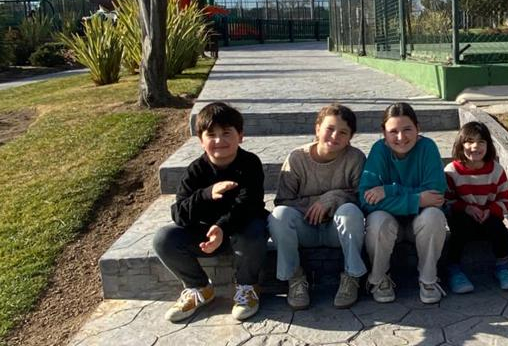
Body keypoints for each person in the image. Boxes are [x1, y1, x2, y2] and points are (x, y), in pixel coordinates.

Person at [153, 102, 267, 322]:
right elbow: (179, 213)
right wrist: (206, 194)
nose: (219, 141)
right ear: (200, 140)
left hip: (241, 232)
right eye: (211, 134)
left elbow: (249, 204)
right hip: (206, 236)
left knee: (256, 227)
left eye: (226, 133)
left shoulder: (250, 163)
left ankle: (247, 287)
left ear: (240, 136)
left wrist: (222, 227)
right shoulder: (195, 171)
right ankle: (199, 288)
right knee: (163, 238)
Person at [269, 104, 367, 310]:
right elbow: (282, 201)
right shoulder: (297, 158)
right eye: (329, 129)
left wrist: (331, 198)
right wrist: (315, 204)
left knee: (351, 212)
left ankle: (351, 276)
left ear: (351, 137)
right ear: (317, 129)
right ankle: (295, 278)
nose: (334, 136)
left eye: (343, 132)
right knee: (279, 216)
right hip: (305, 227)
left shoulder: (355, 158)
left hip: (336, 230)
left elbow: (362, 199)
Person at [359, 102, 448, 304]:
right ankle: (380, 278)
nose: (401, 137)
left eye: (407, 129)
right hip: (391, 224)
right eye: (393, 131)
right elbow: (366, 200)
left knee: (434, 215)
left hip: (420, 221)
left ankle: (428, 280)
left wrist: (389, 190)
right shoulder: (379, 151)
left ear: (418, 128)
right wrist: (417, 199)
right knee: (378, 220)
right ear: (384, 133)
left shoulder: (427, 147)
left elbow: (435, 195)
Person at [444, 121, 508, 294]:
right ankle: (454, 269)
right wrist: (466, 208)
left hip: (488, 217)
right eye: (469, 141)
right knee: (460, 229)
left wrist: (490, 210)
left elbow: (506, 201)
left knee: (499, 229)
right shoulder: (451, 171)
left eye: (481, 142)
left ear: (488, 145)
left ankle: (503, 266)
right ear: (460, 145)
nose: (475, 146)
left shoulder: (496, 170)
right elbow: (447, 202)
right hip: (463, 218)